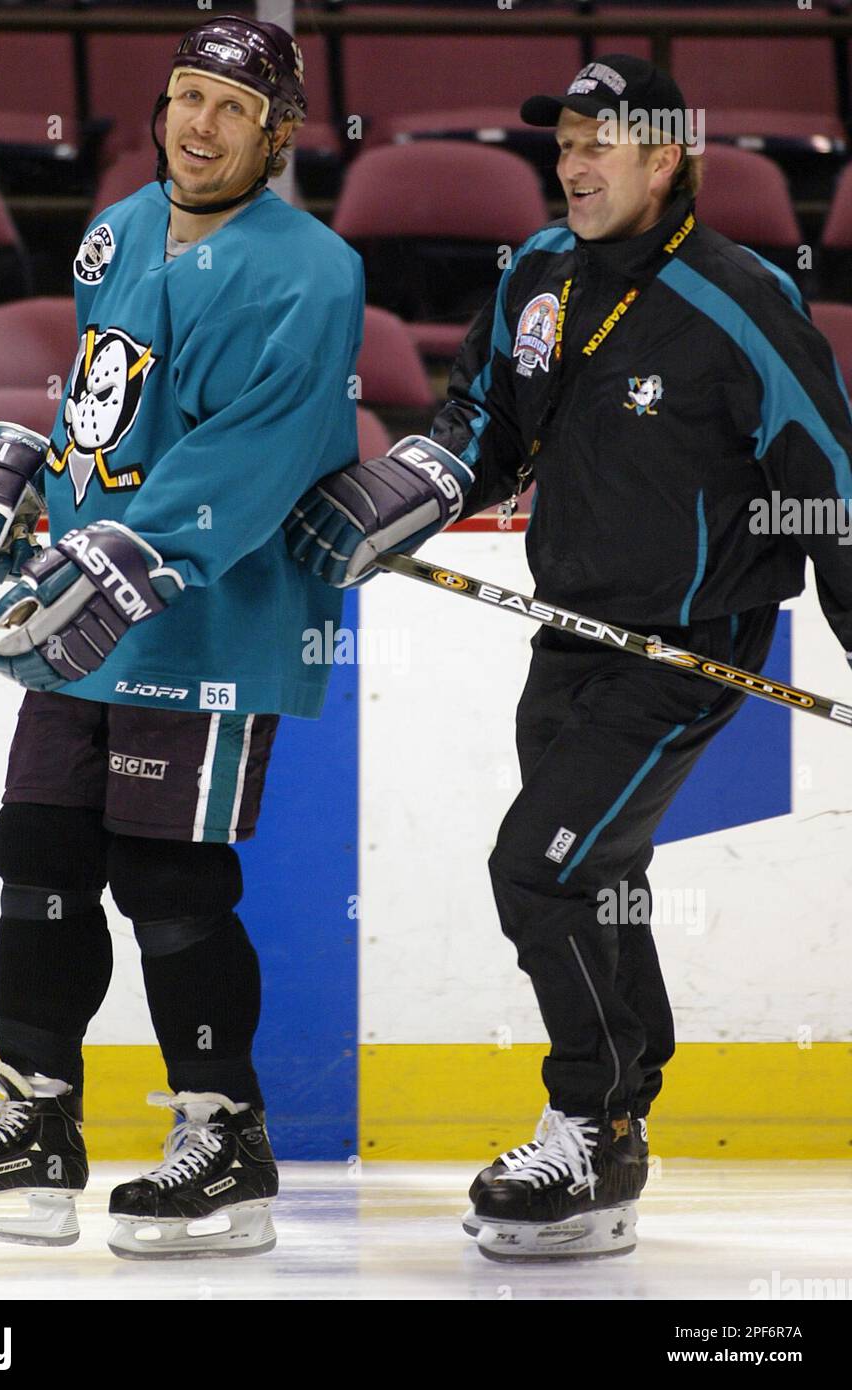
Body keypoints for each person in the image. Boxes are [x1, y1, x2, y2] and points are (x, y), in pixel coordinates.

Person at [287, 54, 852, 1260]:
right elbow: (480, 420)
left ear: (667, 159)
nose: (576, 164)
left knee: (535, 868)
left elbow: (829, 479)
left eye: (604, 143)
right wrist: (406, 491)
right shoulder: (536, 274)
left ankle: (586, 1117)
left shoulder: (738, 298)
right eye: (565, 143)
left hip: (689, 648)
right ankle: (622, 1114)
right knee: (597, 873)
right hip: (567, 633)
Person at [0, 16, 364, 1260]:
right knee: (36, 842)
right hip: (79, 609)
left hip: (209, 615)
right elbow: (102, 406)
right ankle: (40, 1123)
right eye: (182, 97)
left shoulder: (310, 270)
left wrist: (132, 544)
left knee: (168, 875)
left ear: (275, 132)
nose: (196, 125)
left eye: (227, 105)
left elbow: (251, 454)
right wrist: (28, 480)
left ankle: (226, 1139)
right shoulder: (117, 232)